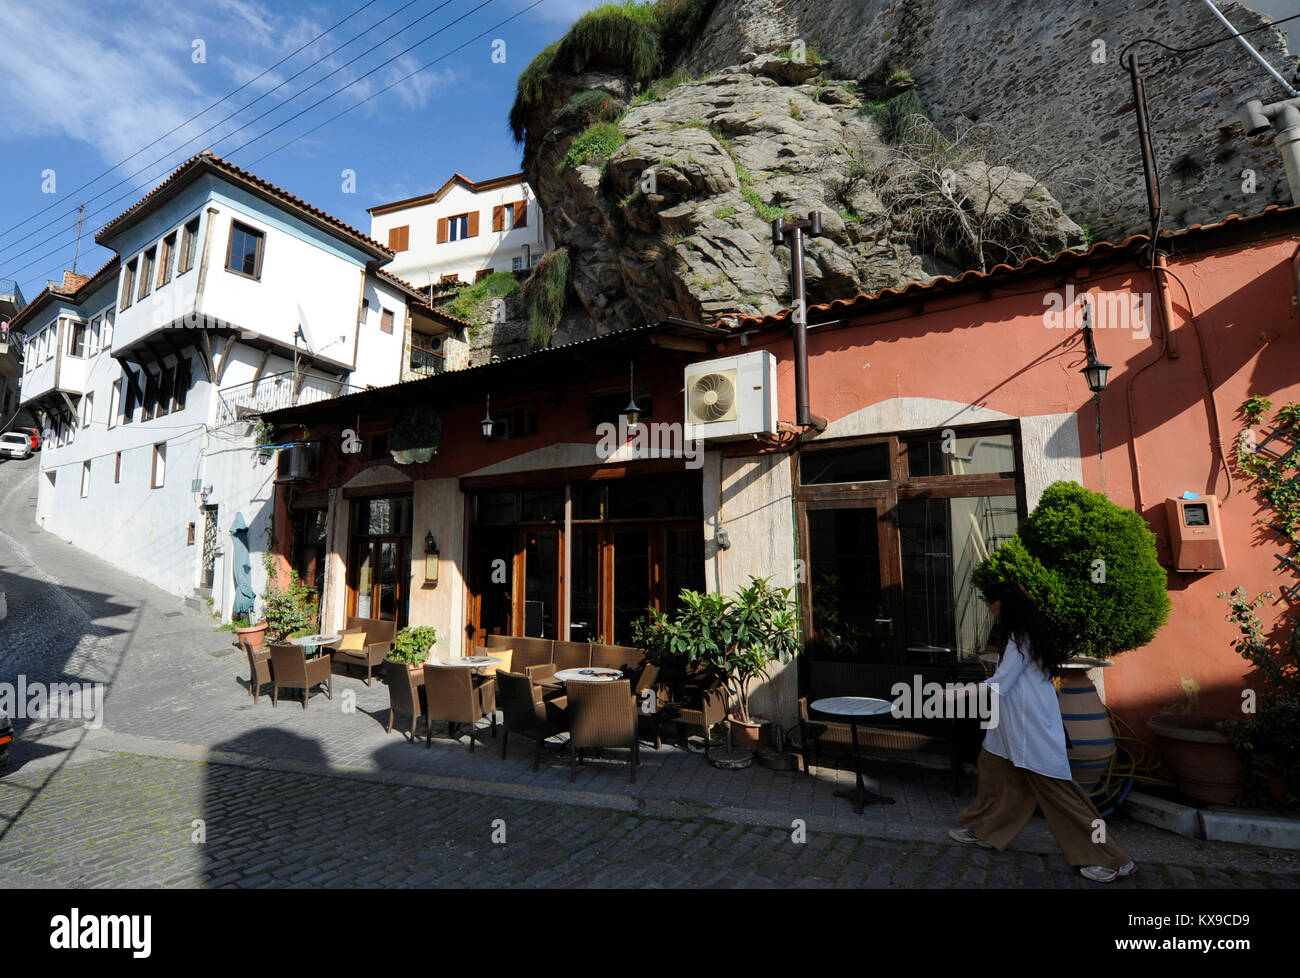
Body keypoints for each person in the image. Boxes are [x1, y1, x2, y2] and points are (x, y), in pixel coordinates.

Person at [948, 579, 1136, 883]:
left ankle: (1113, 859)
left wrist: (955, 694)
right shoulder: (1021, 635)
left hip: (1028, 730)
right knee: (994, 772)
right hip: (1011, 728)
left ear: (1004, 604)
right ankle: (984, 829)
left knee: (1062, 798)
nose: (988, 607)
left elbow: (1002, 682)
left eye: (991, 602)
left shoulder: (1020, 638)